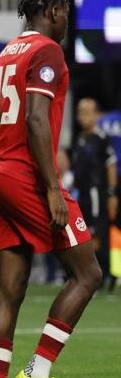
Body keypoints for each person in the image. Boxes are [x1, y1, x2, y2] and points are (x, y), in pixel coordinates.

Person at [0, 0, 102, 378]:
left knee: (10, 286)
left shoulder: (8, 51)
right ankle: (37, 372)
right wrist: (52, 188)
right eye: (65, 11)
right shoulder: (48, 50)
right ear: (52, 10)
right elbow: (34, 117)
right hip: (24, 174)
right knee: (88, 272)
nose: (67, 20)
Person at [70, 97, 116, 287]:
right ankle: (98, 273)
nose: (83, 116)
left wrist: (112, 192)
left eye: (87, 112)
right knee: (84, 232)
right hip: (82, 193)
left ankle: (103, 273)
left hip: (96, 193)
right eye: (80, 112)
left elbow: (111, 164)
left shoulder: (101, 138)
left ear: (97, 115)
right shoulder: (80, 139)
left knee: (95, 234)